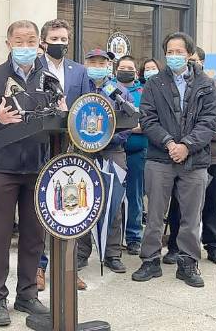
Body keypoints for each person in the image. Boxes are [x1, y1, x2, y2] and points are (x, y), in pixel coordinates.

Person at [0, 20, 51, 327]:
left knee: (33, 236)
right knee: (0, 237)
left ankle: (27, 293)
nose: (26, 46)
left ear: (38, 44)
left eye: (31, 41)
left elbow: (56, 114)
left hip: (38, 169)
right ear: (8, 44)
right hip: (3, 169)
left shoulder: (47, 79)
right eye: (20, 41)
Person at [131, 32, 216, 288]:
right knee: (155, 215)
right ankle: (150, 261)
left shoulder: (207, 85)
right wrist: (170, 143)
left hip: (195, 160)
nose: (174, 56)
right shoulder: (154, 83)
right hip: (160, 157)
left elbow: (209, 123)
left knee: (192, 217)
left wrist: (187, 146)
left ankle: (188, 263)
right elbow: (147, 118)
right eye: (170, 51)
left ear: (190, 54)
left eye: (179, 51)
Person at [164, 47, 216, 267]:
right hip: (183, 158)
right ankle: (175, 247)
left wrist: (193, 138)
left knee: (212, 204)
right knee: (179, 204)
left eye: (194, 60)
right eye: (188, 60)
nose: (190, 64)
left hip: (213, 157)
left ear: (203, 62)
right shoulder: (177, 89)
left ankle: (214, 246)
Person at [37, 18, 92, 291]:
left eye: (64, 40)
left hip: (68, 148)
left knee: (68, 209)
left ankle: (68, 269)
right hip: (38, 147)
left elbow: (85, 108)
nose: (60, 44)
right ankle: (39, 267)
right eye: (55, 39)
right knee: (41, 210)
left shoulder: (79, 71)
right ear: (43, 42)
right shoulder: (34, 68)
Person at [76, 49, 131, 274]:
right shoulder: (78, 88)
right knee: (83, 201)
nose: (97, 65)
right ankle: (81, 252)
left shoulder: (120, 91)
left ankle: (113, 254)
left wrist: (108, 139)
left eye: (102, 62)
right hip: (84, 151)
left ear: (109, 66)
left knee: (114, 202)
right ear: (85, 63)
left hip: (113, 151)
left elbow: (129, 123)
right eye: (93, 62)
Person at [113, 55, 147, 255]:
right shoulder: (109, 89)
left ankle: (134, 237)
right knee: (113, 196)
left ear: (136, 72)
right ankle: (112, 240)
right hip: (114, 151)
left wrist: (125, 127)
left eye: (130, 68)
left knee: (135, 197)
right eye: (122, 67)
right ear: (116, 69)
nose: (125, 70)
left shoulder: (144, 92)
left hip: (137, 152)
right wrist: (131, 126)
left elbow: (148, 123)